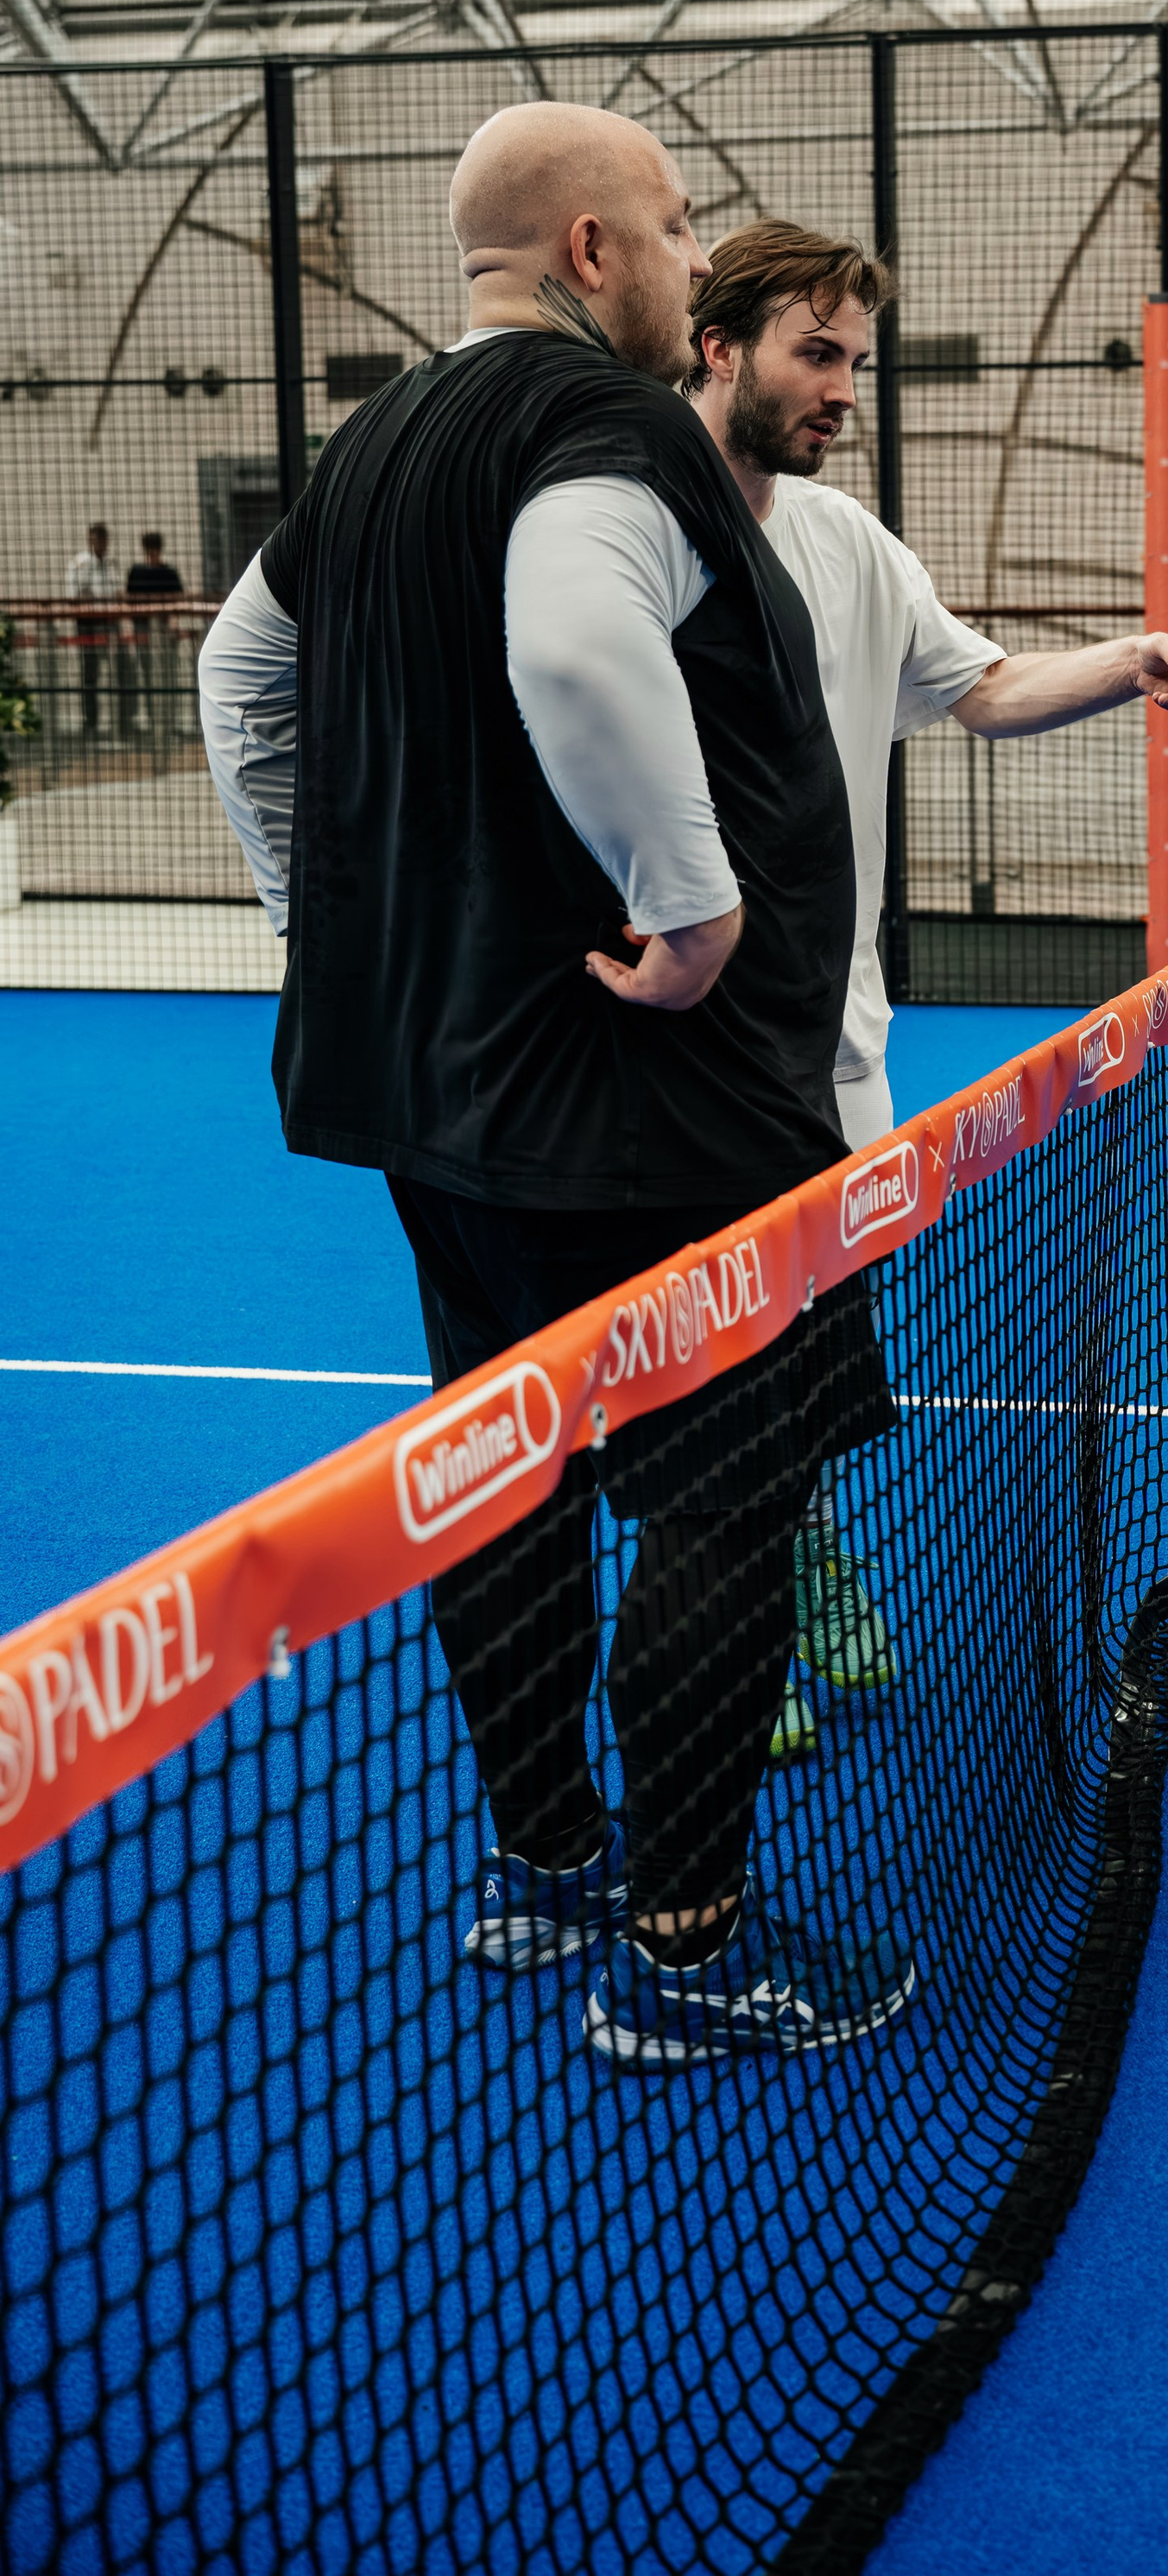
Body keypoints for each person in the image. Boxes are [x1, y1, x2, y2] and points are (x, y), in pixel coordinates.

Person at [199, 102, 914, 2076]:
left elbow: (236, 682)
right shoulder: (605, 428)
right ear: (591, 250)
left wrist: (319, 918)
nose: (697, 267)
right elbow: (578, 640)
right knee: (725, 1490)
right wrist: (688, 911)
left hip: (436, 1094)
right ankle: (685, 1944)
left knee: (503, 1468)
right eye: (680, 228)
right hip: (646, 1098)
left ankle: (546, 1863)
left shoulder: (372, 449)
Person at [681, 219, 1168, 1753]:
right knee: (694, 1371)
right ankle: (724, 1625)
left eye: (854, 361)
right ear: (717, 346)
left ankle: (801, 1560)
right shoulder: (625, 535)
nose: (843, 391)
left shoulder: (849, 544)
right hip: (670, 1051)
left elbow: (983, 692)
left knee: (808, 1348)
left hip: (835, 1044)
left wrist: (1137, 661)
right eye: (818, 355)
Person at [125, 530, 185, 744]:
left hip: (164, 636)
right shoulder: (137, 572)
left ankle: (169, 723)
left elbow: (177, 602)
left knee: (168, 678)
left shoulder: (168, 573)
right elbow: (130, 602)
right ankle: (154, 723)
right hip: (144, 635)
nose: (152, 554)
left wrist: (172, 623)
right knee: (149, 677)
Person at [65, 521, 120, 744]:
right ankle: (91, 725)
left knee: (117, 672)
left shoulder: (111, 564)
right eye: (96, 539)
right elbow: (75, 595)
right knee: (90, 675)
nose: (100, 544)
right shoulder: (79, 564)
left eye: (103, 539)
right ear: (90, 540)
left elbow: (116, 592)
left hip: (109, 622)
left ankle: (119, 725)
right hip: (87, 624)